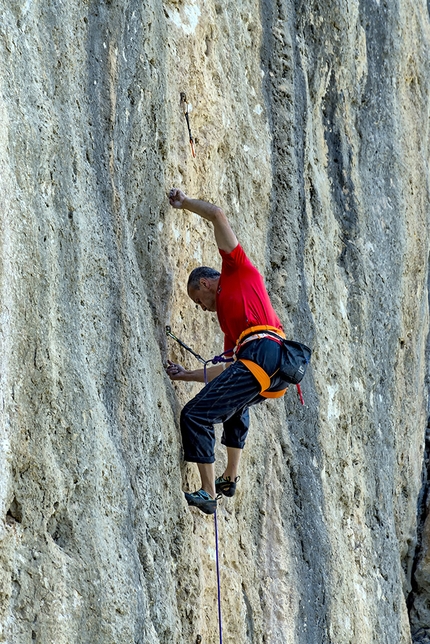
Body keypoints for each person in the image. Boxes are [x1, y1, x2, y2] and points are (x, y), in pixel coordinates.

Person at [166, 188, 290, 515]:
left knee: (194, 415)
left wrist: (185, 204)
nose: (202, 308)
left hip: (262, 354)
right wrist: (185, 374)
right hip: (274, 368)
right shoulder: (232, 329)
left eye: (198, 301)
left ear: (205, 284)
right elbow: (221, 374)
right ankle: (229, 476)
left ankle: (208, 491)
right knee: (235, 402)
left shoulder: (236, 270)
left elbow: (218, 215)